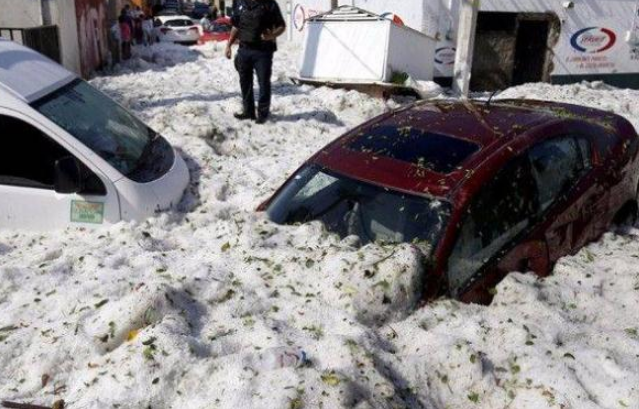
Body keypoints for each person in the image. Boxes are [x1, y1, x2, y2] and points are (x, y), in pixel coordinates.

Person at [225, 0, 286, 124]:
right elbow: (236, 26)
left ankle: (262, 114)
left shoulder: (270, 4)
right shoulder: (239, 3)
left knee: (263, 83)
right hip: (244, 50)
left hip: (263, 52)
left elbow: (281, 26)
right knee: (245, 82)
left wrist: (271, 36)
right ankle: (248, 112)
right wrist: (229, 45)